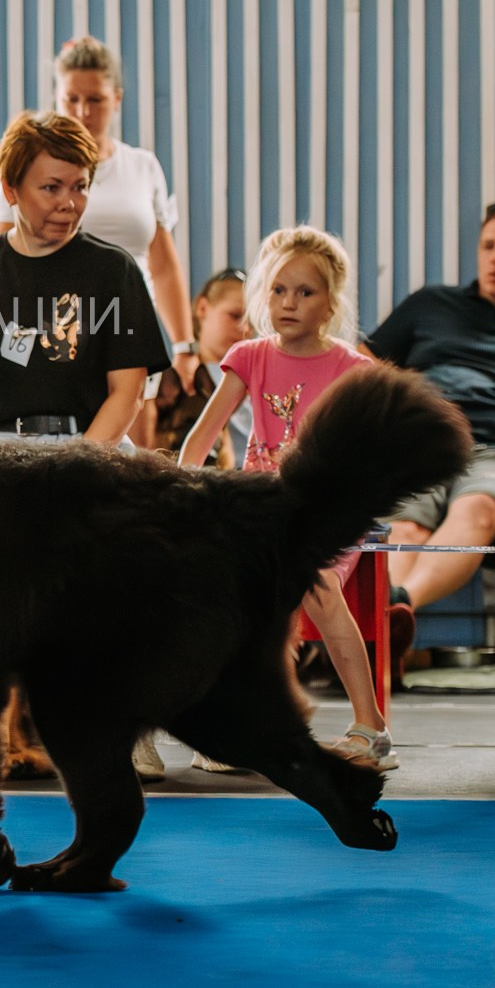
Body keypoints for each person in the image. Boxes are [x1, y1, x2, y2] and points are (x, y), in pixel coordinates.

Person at [0, 110, 169, 777]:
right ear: (11, 190)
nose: (69, 203)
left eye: (80, 186)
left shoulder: (114, 271)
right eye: (51, 187)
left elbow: (127, 391)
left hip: (88, 448)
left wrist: (82, 464)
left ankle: (126, 726)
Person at [178, 225, 397, 770]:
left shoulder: (351, 369)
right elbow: (201, 439)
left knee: (314, 585)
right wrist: (182, 495)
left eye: (305, 292)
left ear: (330, 304)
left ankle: (371, 727)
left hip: (322, 514)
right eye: (278, 290)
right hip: (259, 510)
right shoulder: (249, 357)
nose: (288, 302)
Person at [362, 201, 495, 677]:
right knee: (405, 525)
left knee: (478, 507)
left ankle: (395, 612)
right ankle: (386, 635)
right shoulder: (432, 304)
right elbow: (362, 362)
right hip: (426, 445)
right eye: (489, 246)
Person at [0, 37, 199, 397]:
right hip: (51, 340)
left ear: (116, 98)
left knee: (130, 427)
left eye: (95, 100)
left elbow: (163, 265)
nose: (83, 111)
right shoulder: (25, 170)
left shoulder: (143, 166)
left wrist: (183, 346)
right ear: (56, 98)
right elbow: (2, 263)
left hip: (127, 334)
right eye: (71, 99)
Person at [144, 268, 250, 465]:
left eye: (252, 321)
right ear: (202, 308)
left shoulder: (260, 375)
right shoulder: (177, 382)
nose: (245, 328)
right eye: (235, 315)